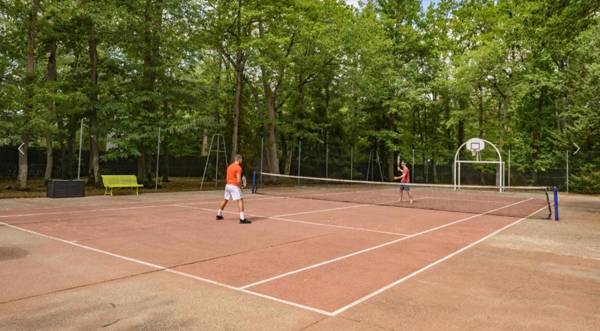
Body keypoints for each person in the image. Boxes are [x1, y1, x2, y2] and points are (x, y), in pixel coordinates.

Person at [216, 154, 251, 224]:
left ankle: (218, 214)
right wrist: (241, 187)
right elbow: (238, 180)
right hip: (234, 186)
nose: (242, 160)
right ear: (239, 159)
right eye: (241, 159)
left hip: (227, 185)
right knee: (240, 200)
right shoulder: (238, 168)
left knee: (225, 200)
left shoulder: (229, 167)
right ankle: (242, 219)